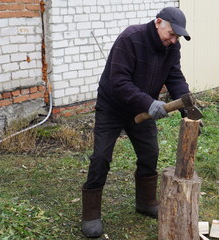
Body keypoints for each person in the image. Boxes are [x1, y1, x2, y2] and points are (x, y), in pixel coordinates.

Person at [81, 7, 192, 238]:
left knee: (150, 153)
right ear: (158, 22)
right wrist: (149, 103)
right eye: (171, 34)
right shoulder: (130, 38)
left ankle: (145, 202)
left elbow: (175, 78)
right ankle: (91, 213)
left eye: (177, 37)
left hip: (142, 110)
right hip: (112, 107)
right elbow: (119, 81)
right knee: (101, 157)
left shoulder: (172, 48)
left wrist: (189, 112)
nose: (172, 40)